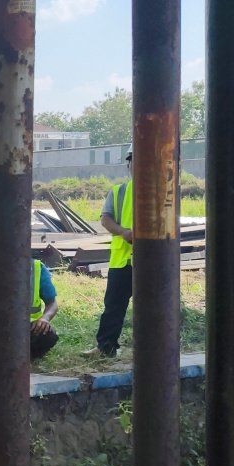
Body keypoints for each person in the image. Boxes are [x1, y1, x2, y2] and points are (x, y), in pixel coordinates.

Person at [0, 260, 60, 364]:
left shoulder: (37, 268)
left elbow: (52, 303)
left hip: (30, 329)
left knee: (48, 337)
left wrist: (45, 318)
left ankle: (26, 356)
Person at [91, 152, 133, 357]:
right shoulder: (119, 192)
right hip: (123, 259)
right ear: (129, 166)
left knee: (154, 308)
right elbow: (105, 219)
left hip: (152, 262)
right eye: (133, 162)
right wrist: (123, 232)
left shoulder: (162, 190)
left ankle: (154, 347)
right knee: (114, 306)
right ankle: (105, 348)